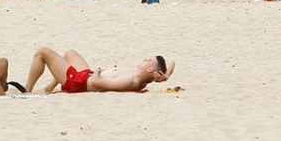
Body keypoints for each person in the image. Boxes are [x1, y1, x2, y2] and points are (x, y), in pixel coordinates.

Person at [24, 48, 171, 93]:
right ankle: (49, 88)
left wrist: (99, 73)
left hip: (78, 82)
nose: (144, 60)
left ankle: (27, 90)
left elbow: (102, 85)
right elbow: (172, 63)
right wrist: (165, 76)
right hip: (85, 76)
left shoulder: (133, 80)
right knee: (70, 53)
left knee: (42, 52)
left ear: (151, 68)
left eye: (147, 60)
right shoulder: (140, 77)